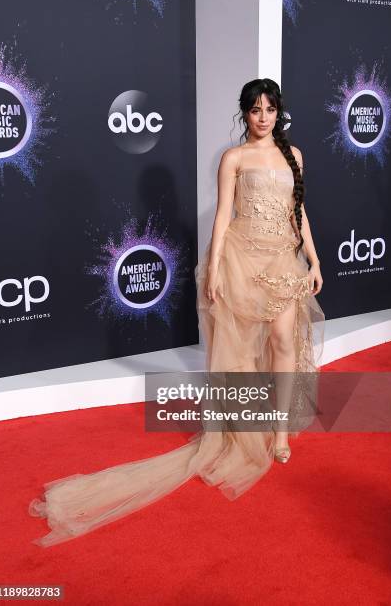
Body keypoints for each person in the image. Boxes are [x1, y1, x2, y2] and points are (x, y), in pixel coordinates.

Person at [28, 78, 325, 547]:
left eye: (270, 108)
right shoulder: (235, 158)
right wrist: (215, 268)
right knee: (242, 354)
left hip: (285, 260)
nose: (263, 117)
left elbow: (298, 212)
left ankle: (281, 433)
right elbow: (224, 214)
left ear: (278, 112)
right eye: (255, 109)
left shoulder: (295, 156)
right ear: (244, 113)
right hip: (243, 260)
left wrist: (315, 257)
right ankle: (245, 430)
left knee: (284, 343)